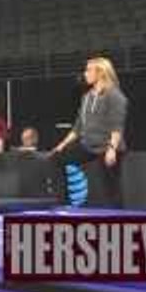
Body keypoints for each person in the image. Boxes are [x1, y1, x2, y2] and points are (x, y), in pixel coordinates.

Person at [49, 57, 128, 208]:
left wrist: (112, 149)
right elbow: (78, 126)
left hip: (108, 146)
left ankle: (117, 217)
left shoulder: (114, 96)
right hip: (88, 146)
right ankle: (64, 205)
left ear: (100, 73)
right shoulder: (87, 96)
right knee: (56, 158)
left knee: (111, 189)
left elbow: (117, 126)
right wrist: (62, 144)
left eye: (88, 70)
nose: (85, 73)